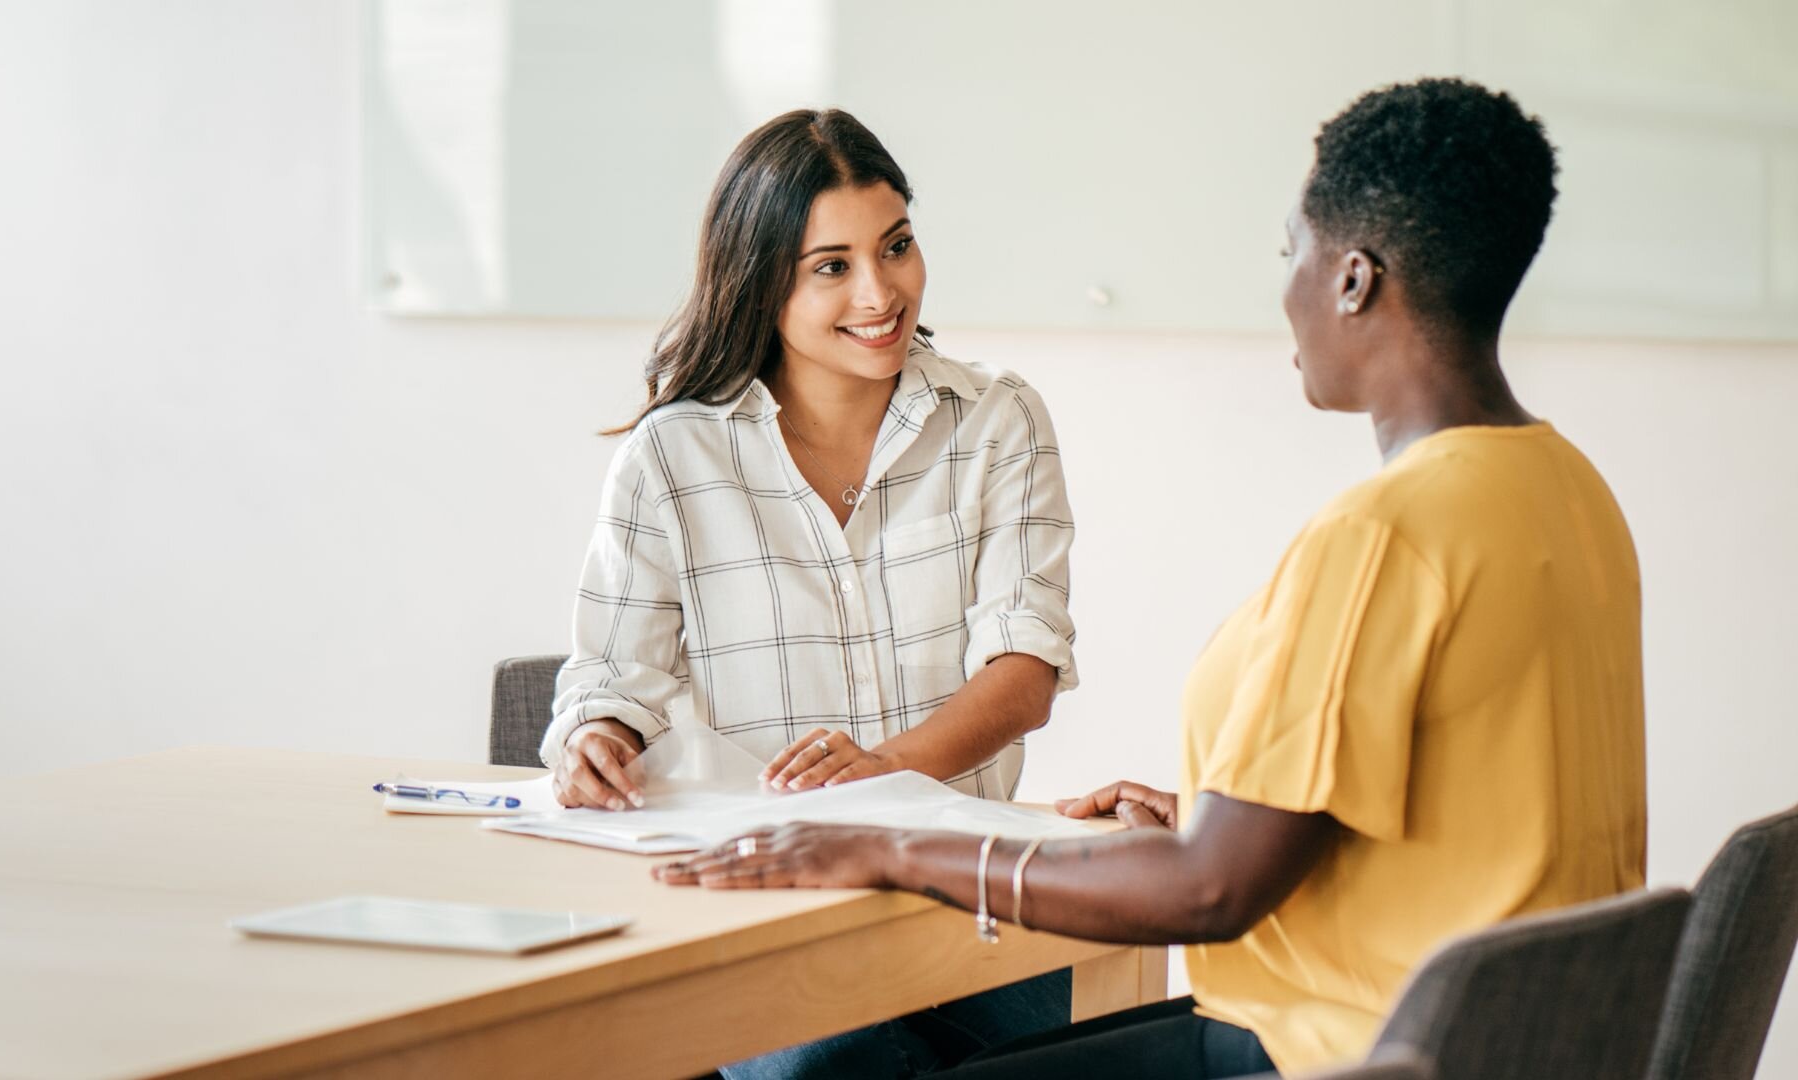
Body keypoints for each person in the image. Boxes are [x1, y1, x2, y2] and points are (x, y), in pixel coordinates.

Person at [655, 78, 1647, 1079]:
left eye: (1289, 254)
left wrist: (888, 848)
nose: (1286, 289)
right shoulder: (1566, 490)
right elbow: (1474, 812)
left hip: (1339, 1051)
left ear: (1353, 279)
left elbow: (1210, 897)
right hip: (1504, 1045)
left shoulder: (1385, 535)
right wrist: (1224, 818)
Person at [539, 109, 1081, 1075]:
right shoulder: (673, 453)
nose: (881, 292)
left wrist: (887, 772)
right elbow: (612, 675)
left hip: (967, 896)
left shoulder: (998, 420)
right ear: (760, 281)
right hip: (768, 901)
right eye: (831, 265)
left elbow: (1024, 668)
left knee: (1063, 1056)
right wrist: (599, 739)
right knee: (820, 1067)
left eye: (898, 247)